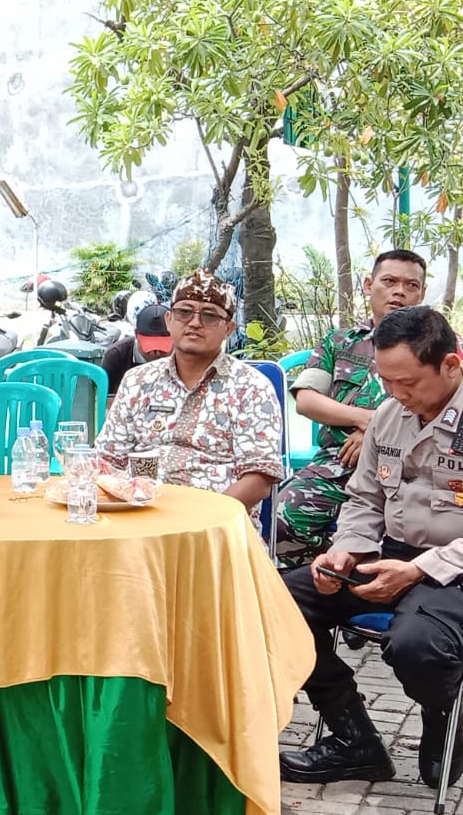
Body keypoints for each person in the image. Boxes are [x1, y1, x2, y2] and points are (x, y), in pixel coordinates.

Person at [278, 306, 463, 788]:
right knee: (275, 604)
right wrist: (348, 551)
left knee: (418, 647)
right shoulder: (389, 413)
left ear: (451, 364)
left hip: (454, 570)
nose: (399, 396)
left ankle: (446, 713)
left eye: (409, 384)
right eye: (388, 383)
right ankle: (353, 739)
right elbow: (365, 496)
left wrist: (421, 570)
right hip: (390, 553)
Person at [276, 250, 427, 557]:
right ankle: (324, 571)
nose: (400, 291)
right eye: (390, 281)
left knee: (410, 538)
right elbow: (306, 399)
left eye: (411, 285)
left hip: (409, 470)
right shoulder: (339, 342)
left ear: (422, 294)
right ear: (369, 285)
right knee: (279, 521)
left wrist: (376, 433)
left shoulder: (439, 346)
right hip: (336, 466)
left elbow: (444, 409)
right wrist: (364, 419)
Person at [96, 269, 283, 515]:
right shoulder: (137, 381)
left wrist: (200, 521)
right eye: (185, 312)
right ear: (169, 320)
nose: (194, 323)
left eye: (209, 316)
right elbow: (107, 461)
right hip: (137, 517)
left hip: (215, 525)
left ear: (229, 328)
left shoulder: (251, 387)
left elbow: (259, 480)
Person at [100, 303, 173, 397]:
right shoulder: (116, 356)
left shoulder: (185, 356)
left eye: (162, 346)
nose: (156, 352)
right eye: (151, 346)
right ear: (136, 334)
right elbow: (107, 401)